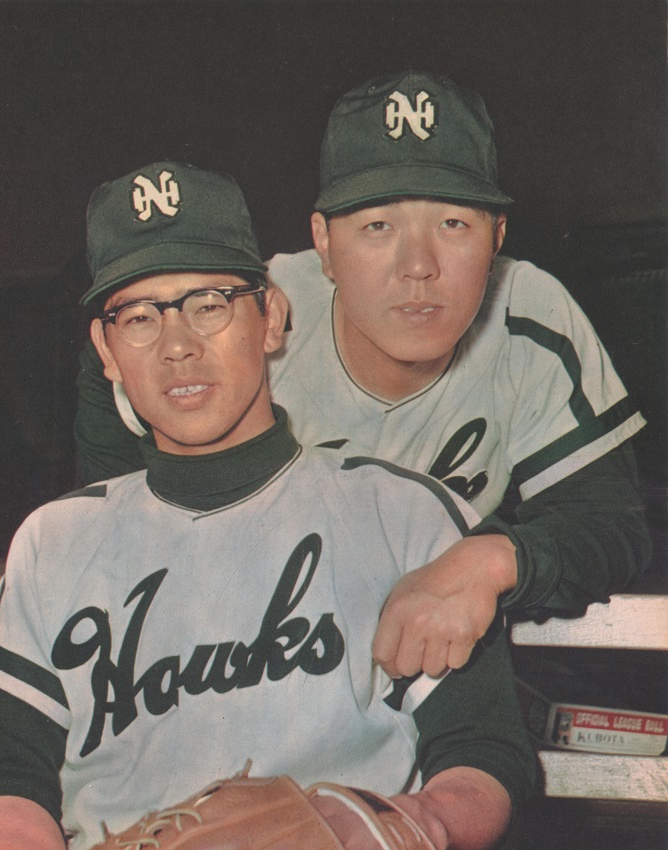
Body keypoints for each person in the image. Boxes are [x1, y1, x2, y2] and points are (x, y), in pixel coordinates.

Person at [0, 163, 534, 850]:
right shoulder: (55, 542)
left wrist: (416, 824)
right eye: (140, 316)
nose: (177, 346)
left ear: (273, 317)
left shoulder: (403, 516)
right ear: (107, 351)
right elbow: (3, 779)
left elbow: (483, 752)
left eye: (209, 304)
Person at [74, 71, 652, 679]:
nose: (418, 266)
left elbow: (609, 527)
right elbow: (116, 531)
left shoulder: (529, 317)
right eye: (378, 226)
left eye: (453, 224)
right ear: (323, 242)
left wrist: (488, 561)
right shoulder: (244, 321)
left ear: (497, 237)